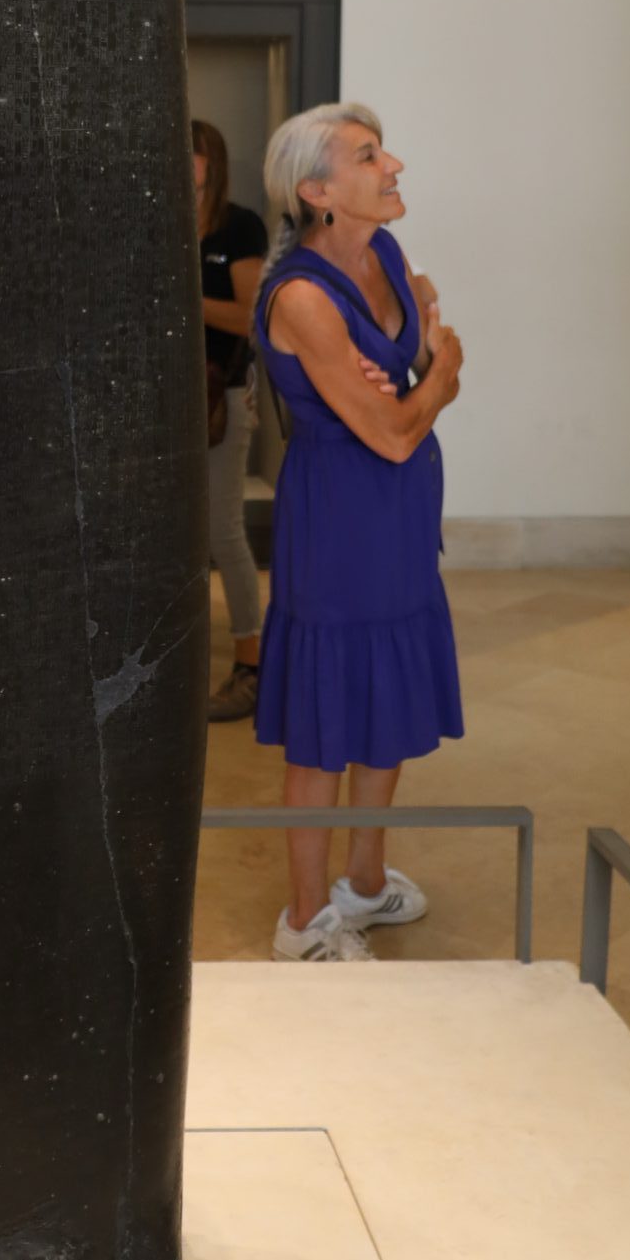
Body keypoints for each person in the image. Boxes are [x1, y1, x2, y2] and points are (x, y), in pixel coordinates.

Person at [253, 104, 464, 960]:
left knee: (383, 701)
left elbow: (417, 338)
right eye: (369, 156)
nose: (393, 165)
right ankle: (304, 922)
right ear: (317, 192)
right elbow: (393, 431)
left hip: (398, 515)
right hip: (338, 520)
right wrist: (440, 377)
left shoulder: (384, 253)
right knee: (324, 724)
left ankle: (365, 885)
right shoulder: (303, 296)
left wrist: (413, 374)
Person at [192, 120, 268, 722]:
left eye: (191, 153)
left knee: (222, 529)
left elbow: (250, 318)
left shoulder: (239, 227)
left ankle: (252, 665)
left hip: (224, 395)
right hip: (160, 405)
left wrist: (181, 299)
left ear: (211, 162)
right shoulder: (154, 221)